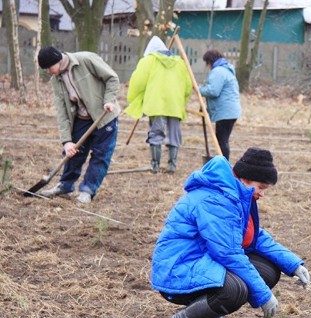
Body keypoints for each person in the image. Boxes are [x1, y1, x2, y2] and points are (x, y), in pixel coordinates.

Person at [151, 147, 310, 318]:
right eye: (260, 187)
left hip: (202, 259)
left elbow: (254, 236)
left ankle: (209, 317)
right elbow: (228, 253)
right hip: (178, 267)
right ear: (245, 178)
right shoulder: (215, 199)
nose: (262, 194)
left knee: (267, 271)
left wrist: (293, 264)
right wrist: (263, 295)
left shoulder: (235, 195)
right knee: (235, 290)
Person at [37, 46, 120, 203]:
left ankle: (87, 190)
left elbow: (112, 78)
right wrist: (67, 141)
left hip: (105, 116)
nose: (48, 71)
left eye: (48, 67)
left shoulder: (86, 59)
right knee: (73, 153)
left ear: (57, 60)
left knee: (101, 155)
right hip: (82, 118)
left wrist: (109, 99)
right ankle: (65, 186)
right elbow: (62, 111)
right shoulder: (56, 80)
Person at [125, 36, 192, 174]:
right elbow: (188, 86)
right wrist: (182, 101)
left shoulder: (148, 61)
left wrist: (133, 97)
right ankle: (172, 165)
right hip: (175, 103)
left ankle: (155, 165)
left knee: (156, 133)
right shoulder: (180, 62)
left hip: (156, 103)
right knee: (174, 133)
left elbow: (137, 82)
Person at [199, 49, 242, 161]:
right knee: (223, 140)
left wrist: (199, 89)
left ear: (210, 61)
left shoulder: (218, 71)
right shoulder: (226, 69)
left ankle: (223, 164)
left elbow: (213, 91)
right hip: (230, 111)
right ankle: (223, 162)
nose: (207, 66)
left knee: (221, 140)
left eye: (207, 63)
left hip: (225, 112)